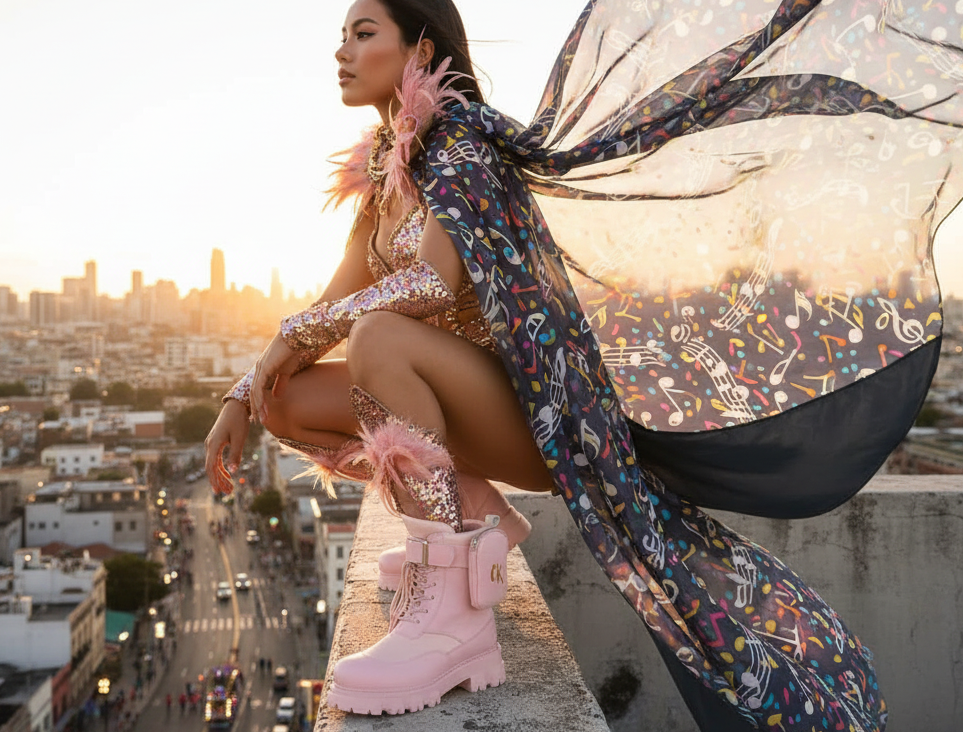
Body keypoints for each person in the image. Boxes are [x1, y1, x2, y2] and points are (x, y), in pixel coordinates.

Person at [205, 0, 961, 728]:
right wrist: (245, 392)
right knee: (288, 399)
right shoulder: (383, 175)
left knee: (377, 336)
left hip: (529, 418)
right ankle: (466, 519)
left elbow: (432, 284)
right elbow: (331, 298)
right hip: (452, 405)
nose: (340, 49)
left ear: (421, 50)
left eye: (361, 31)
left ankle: (452, 617)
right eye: (339, 34)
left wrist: (290, 332)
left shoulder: (459, 147)